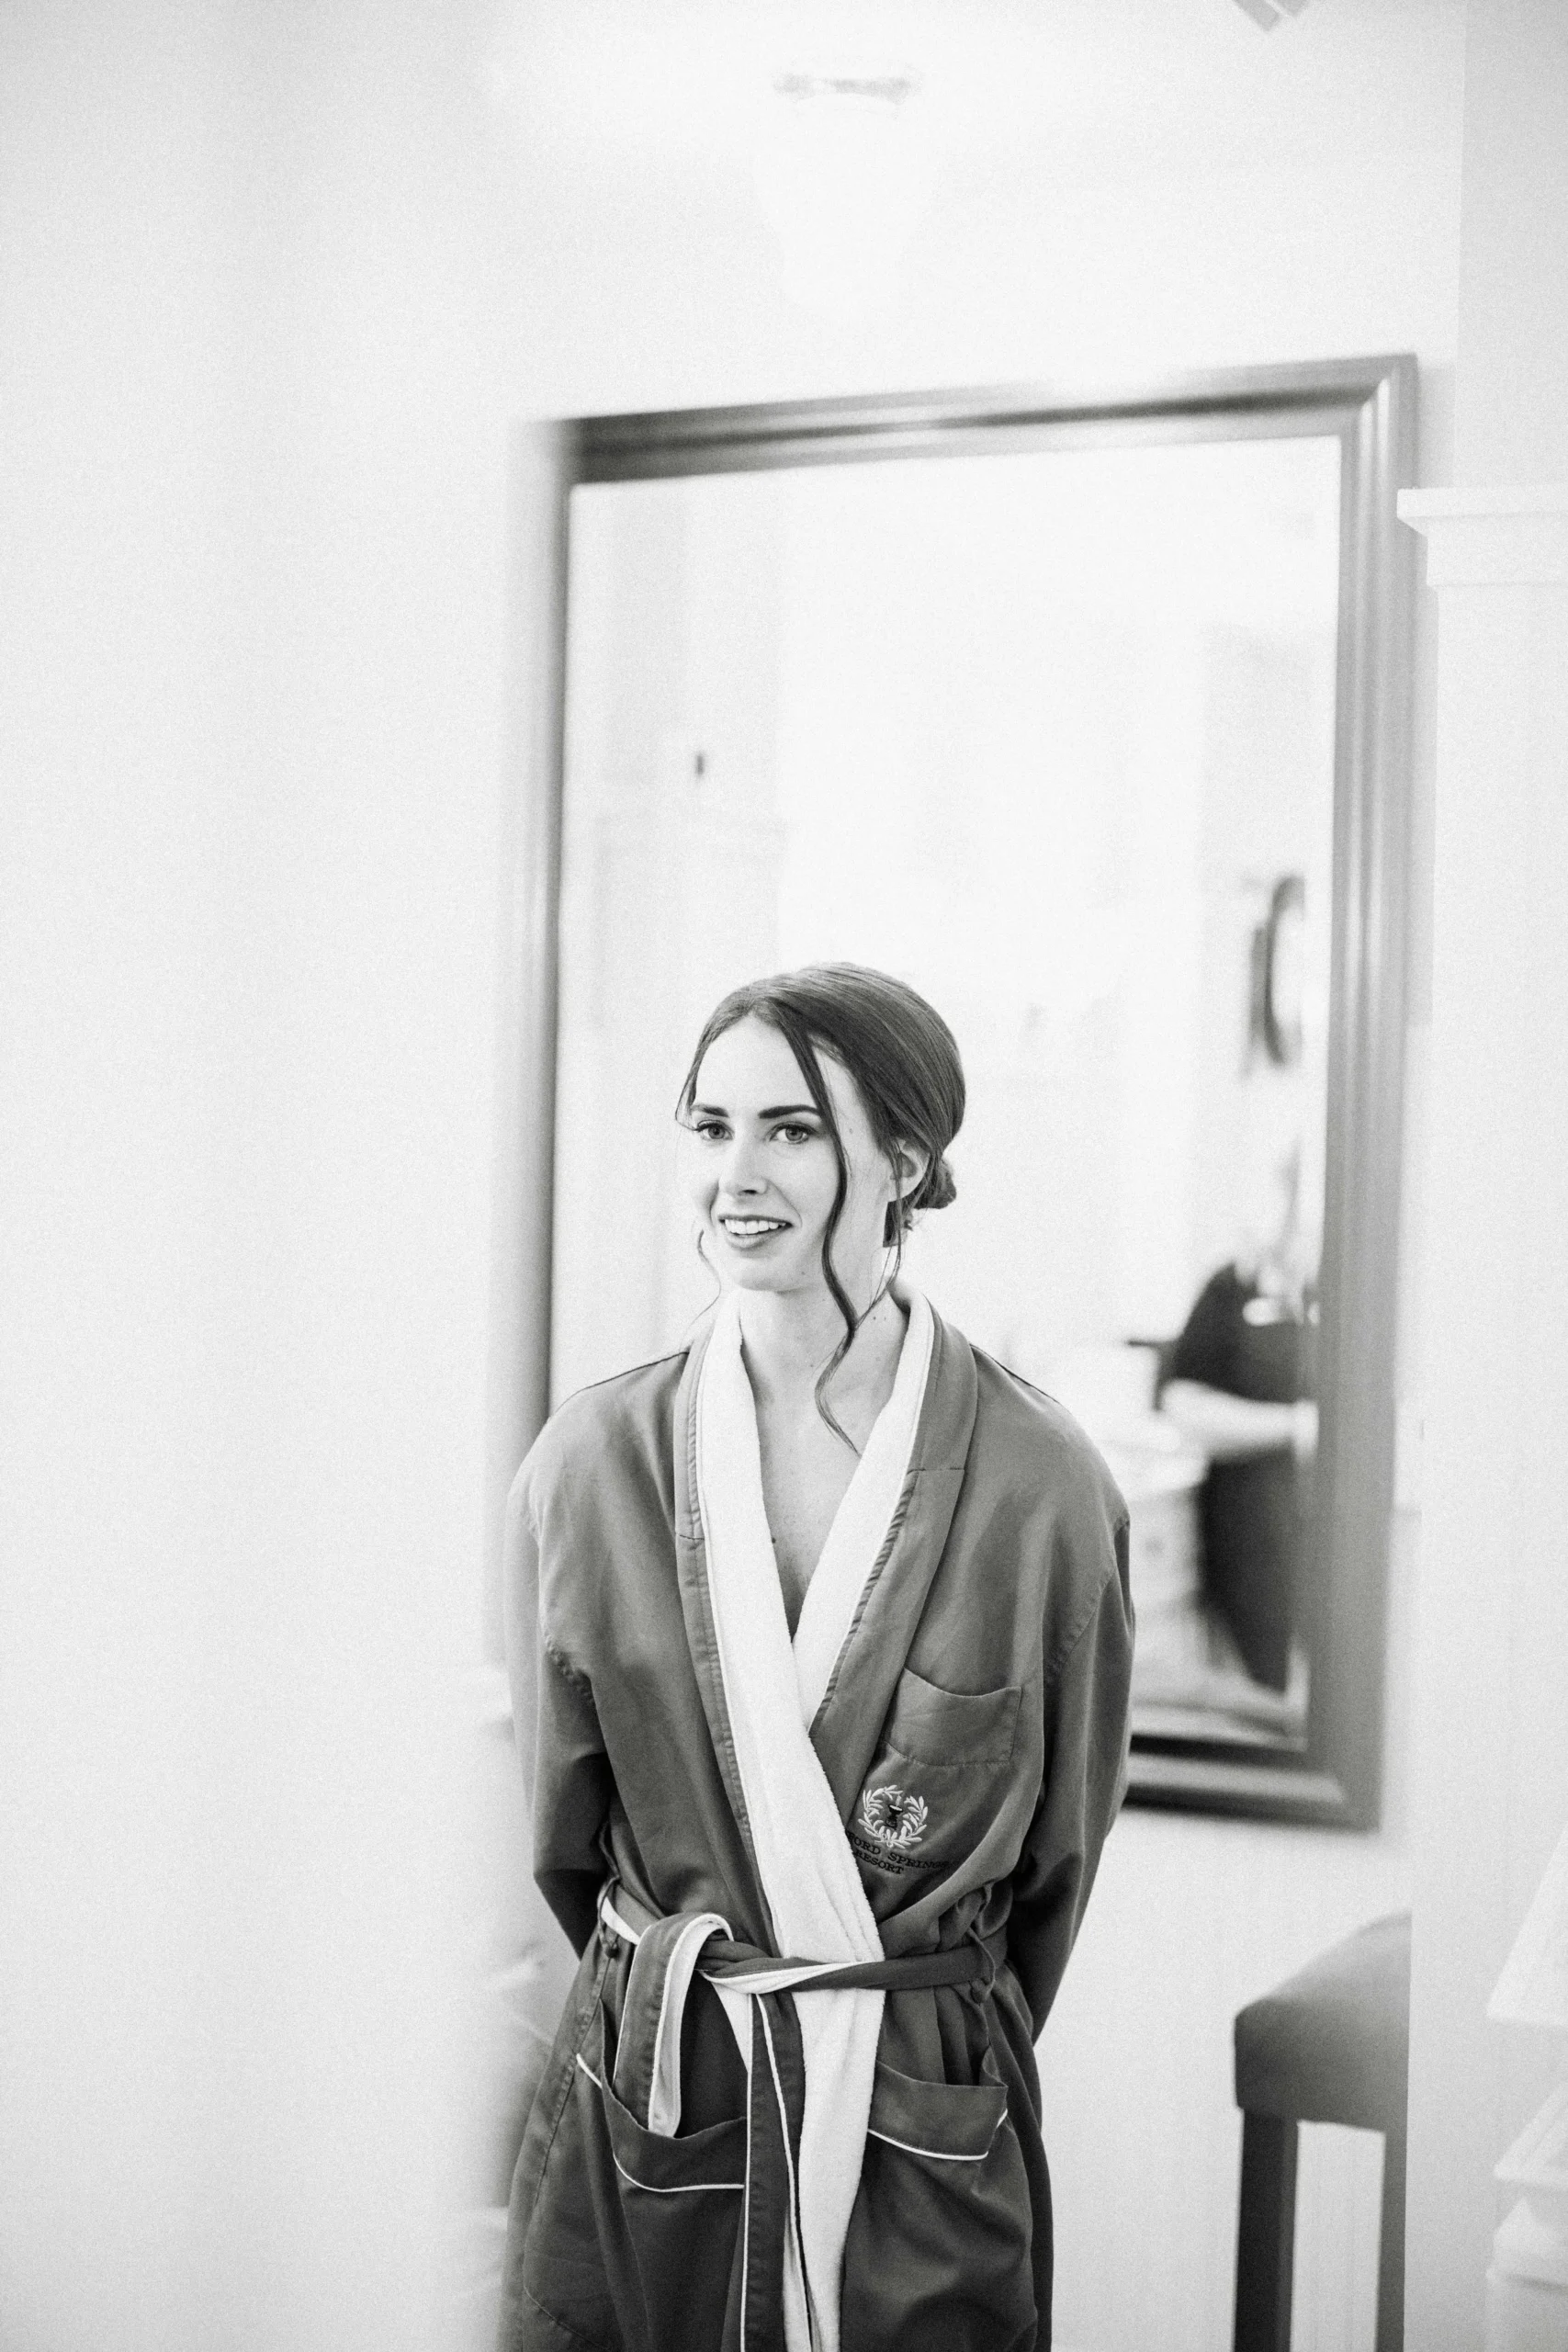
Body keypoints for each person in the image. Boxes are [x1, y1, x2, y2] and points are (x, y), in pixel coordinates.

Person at [497, 964, 1133, 2352]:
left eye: (789, 1129)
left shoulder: (1041, 1490)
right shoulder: (589, 1467)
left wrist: (906, 2032)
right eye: (709, 1126)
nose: (736, 1173)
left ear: (903, 1161)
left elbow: (1052, 1874)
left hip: (918, 2120)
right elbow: (563, 1841)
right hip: (658, 2094)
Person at [1160, 1142, 1319, 1695]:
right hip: (1251, 1539)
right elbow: (1183, 1407)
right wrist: (1296, 1427)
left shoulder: (1349, 1293)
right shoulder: (1231, 1288)